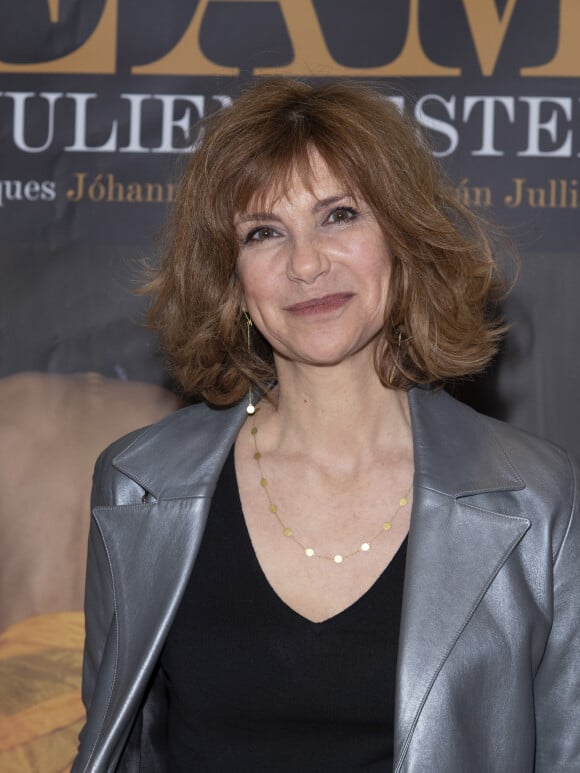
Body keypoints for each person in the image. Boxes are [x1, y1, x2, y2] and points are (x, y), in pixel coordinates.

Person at [73, 80, 580, 773]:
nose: (305, 263)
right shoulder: (138, 484)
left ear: (403, 239)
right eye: (263, 232)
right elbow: (117, 751)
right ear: (232, 278)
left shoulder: (536, 496)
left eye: (339, 215)